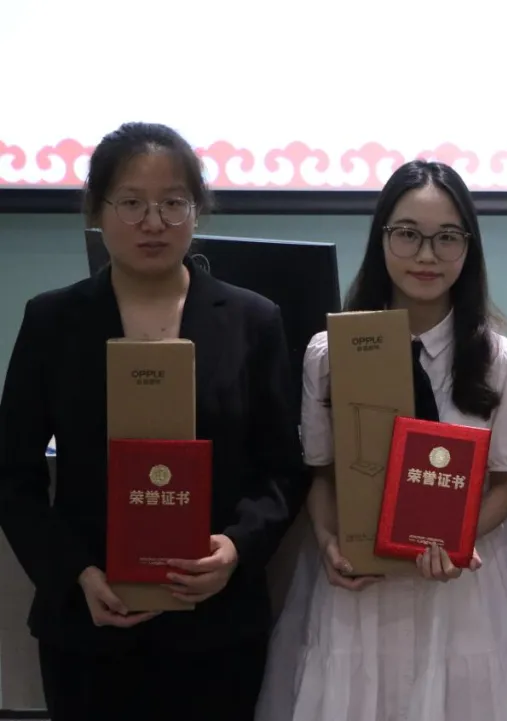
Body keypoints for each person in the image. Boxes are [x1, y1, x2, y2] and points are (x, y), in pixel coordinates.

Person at [0, 122, 311, 721]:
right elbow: (12, 473)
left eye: (173, 203)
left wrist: (236, 548)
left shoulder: (252, 321)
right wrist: (74, 572)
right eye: (132, 203)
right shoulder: (52, 321)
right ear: (97, 209)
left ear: (198, 209)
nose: (153, 222)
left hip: (216, 626)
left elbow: (281, 469)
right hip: (89, 624)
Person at [256, 160, 507, 721]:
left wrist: (453, 539)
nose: (426, 256)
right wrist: (329, 542)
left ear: (469, 248)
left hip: (461, 589)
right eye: (408, 235)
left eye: (447, 238)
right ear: (382, 238)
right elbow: (322, 474)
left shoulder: (503, 359)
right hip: (362, 586)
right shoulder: (329, 352)